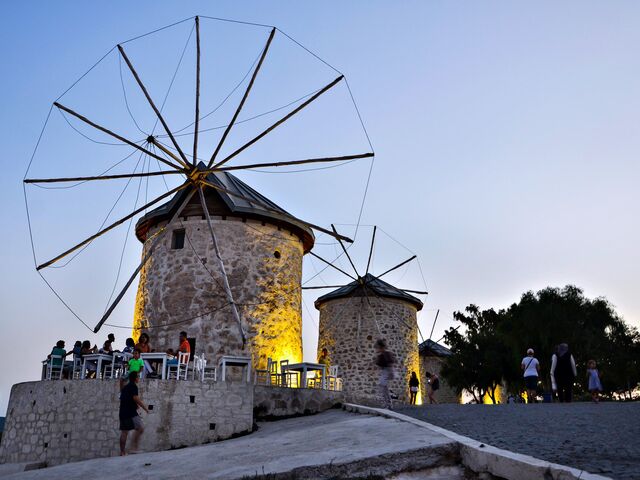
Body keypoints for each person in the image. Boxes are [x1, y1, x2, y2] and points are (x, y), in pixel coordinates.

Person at [119, 371, 149, 456]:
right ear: (135, 378)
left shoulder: (125, 387)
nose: (138, 378)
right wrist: (145, 408)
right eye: (138, 377)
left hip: (122, 412)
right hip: (131, 412)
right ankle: (133, 448)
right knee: (140, 428)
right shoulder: (133, 386)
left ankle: (122, 452)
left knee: (124, 432)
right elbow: (135, 398)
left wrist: (121, 380)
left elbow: (126, 396)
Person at [374, 339, 395, 409]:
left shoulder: (386, 353)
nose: (377, 349)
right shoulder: (381, 355)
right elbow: (378, 364)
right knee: (383, 387)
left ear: (381, 347)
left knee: (383, 386)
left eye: (378, 347)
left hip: (387, 370)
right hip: (384, 371)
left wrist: (391, 372)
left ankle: (388, 403)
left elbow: (390, 363)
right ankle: (388, 404)